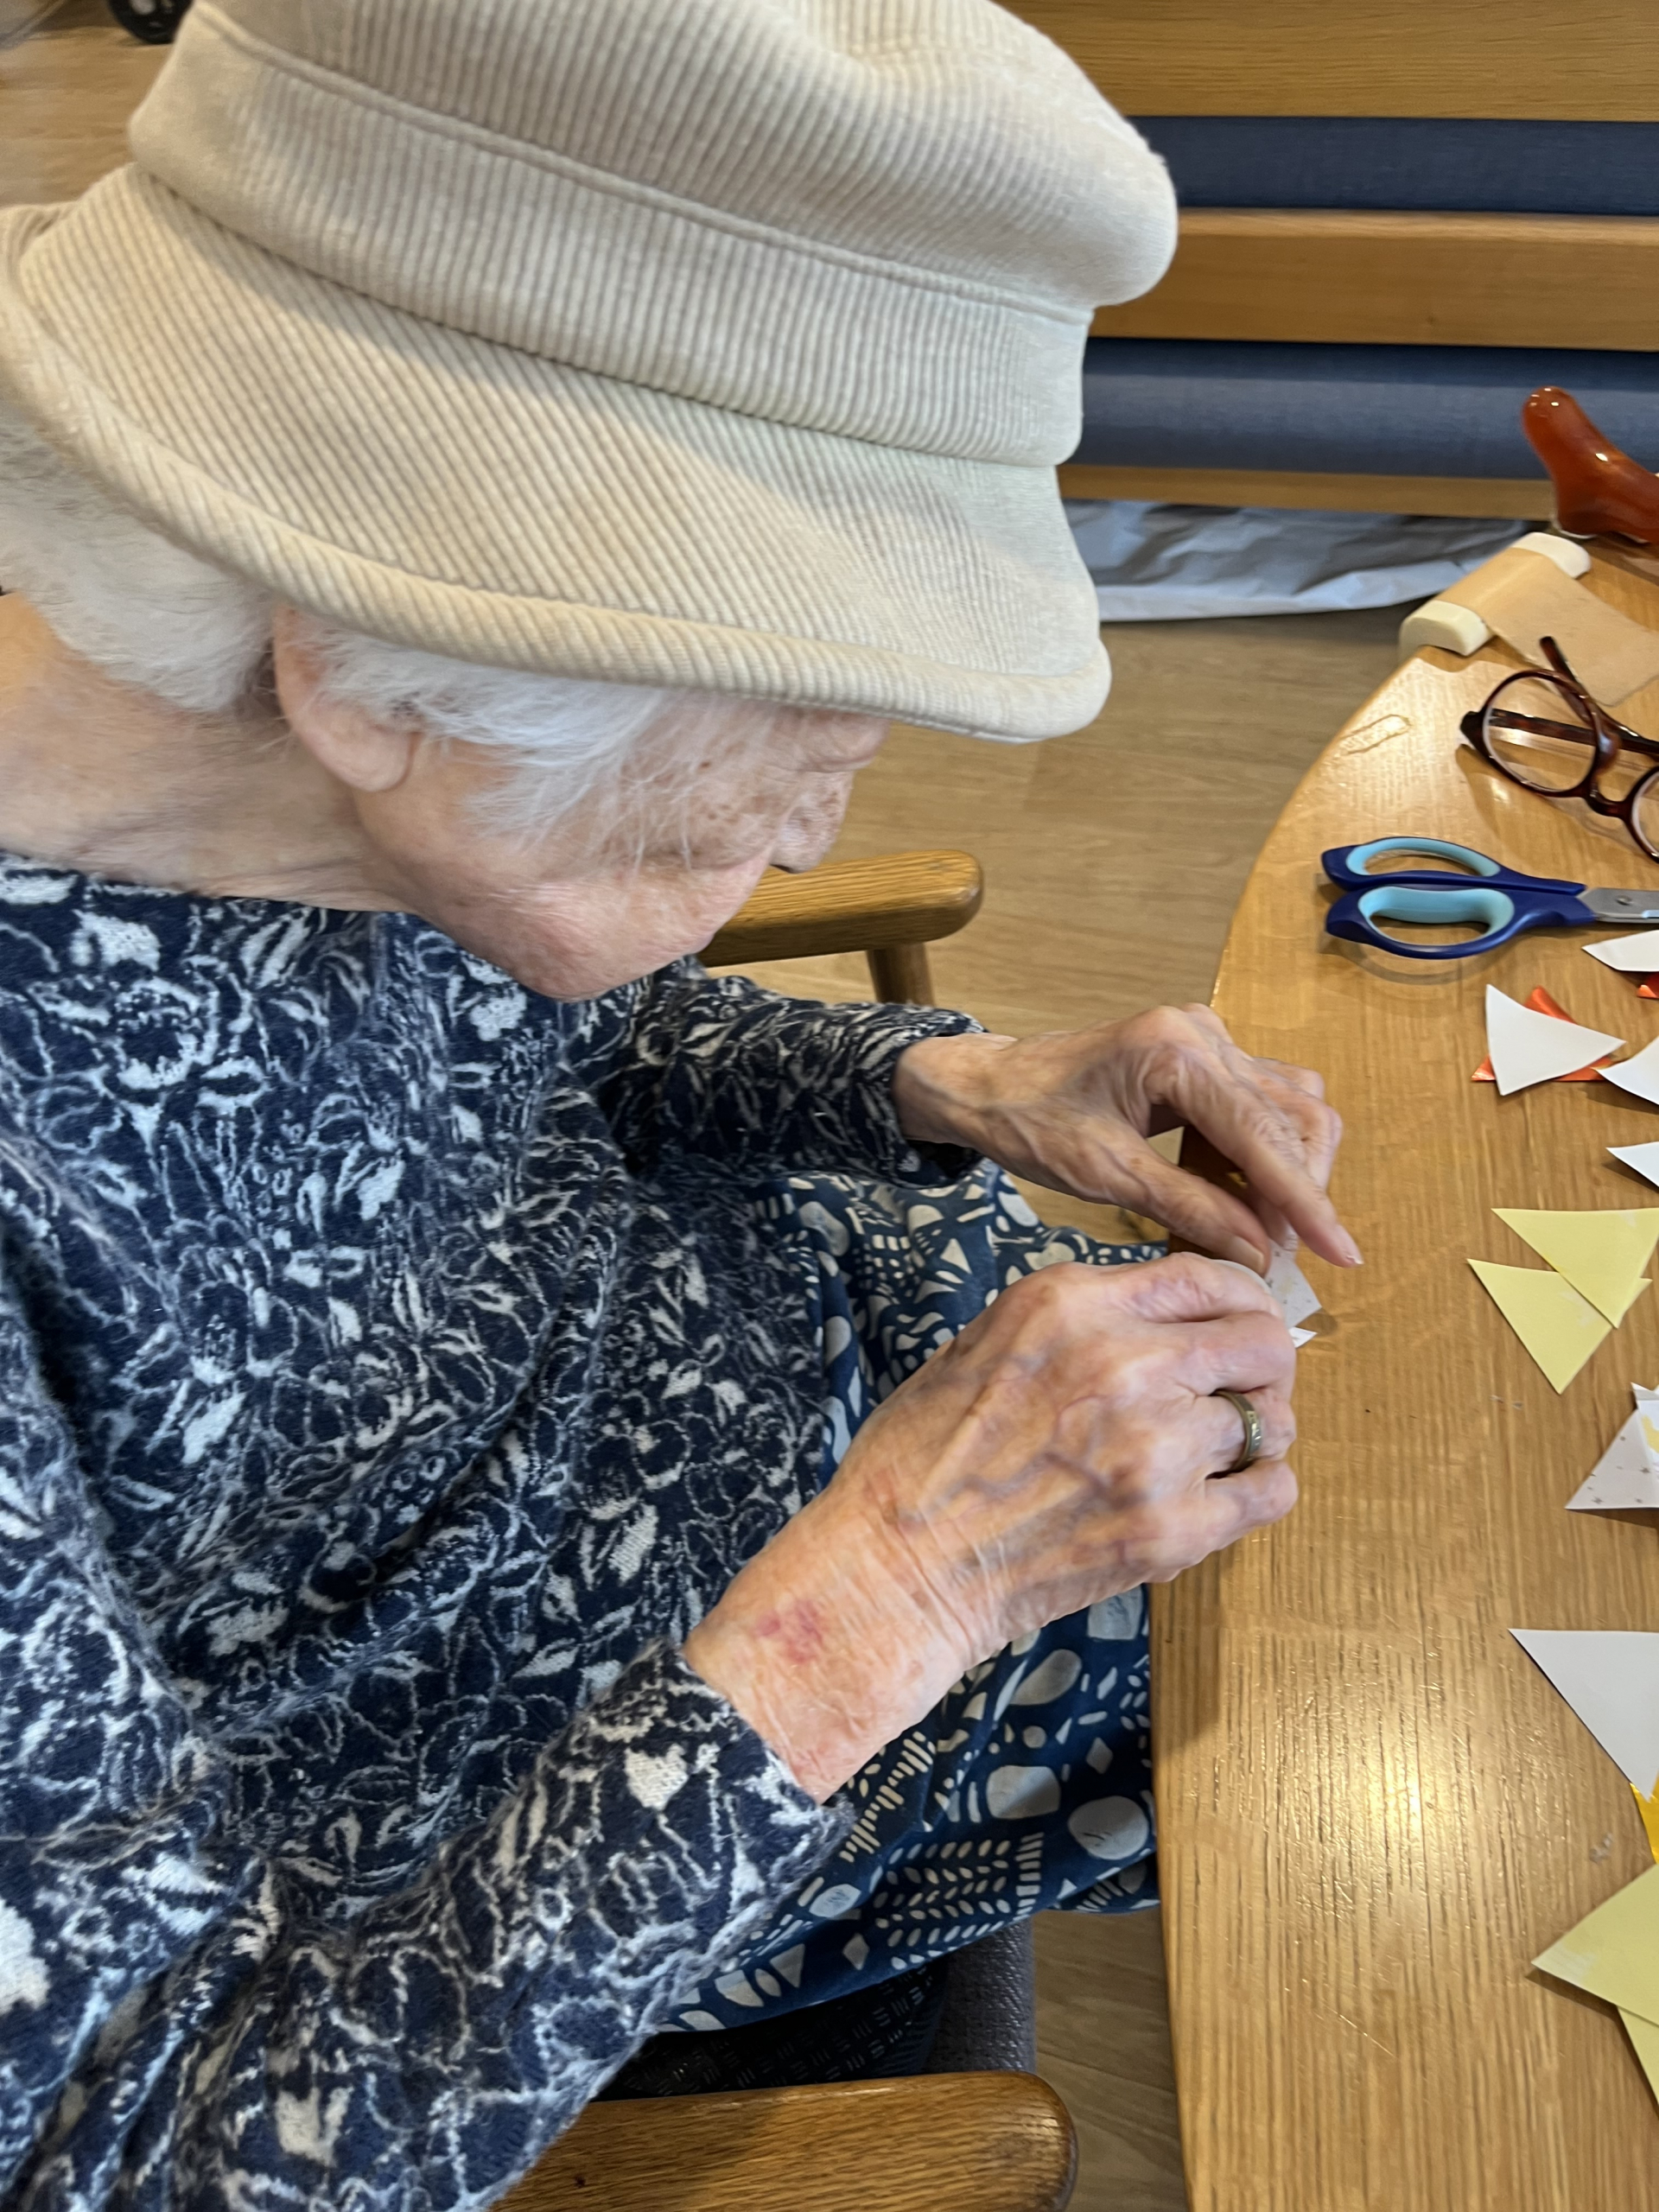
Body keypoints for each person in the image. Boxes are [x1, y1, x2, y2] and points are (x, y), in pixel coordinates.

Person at [0, 1, 1358, 2203]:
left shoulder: (271, 763)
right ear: (363, 677)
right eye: (790, 760)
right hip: (599, 1785)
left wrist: (946, 1076)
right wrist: (894, 1584)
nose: (815, 831)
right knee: (1423, 1708)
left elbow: (544, 1055)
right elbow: (147, 2148)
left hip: (828, 1396)